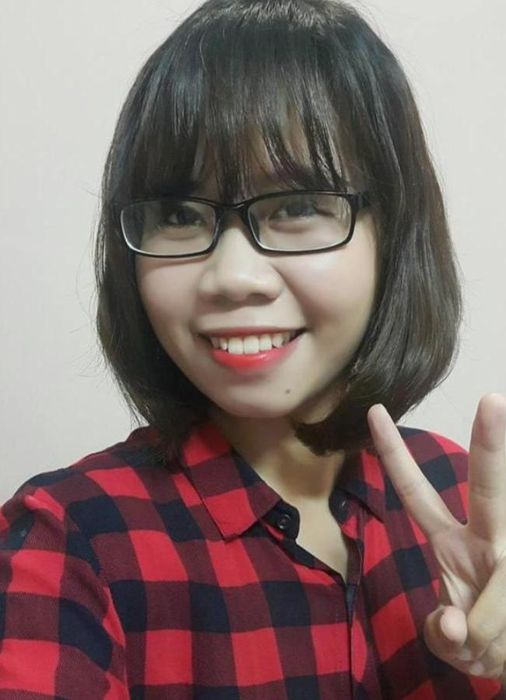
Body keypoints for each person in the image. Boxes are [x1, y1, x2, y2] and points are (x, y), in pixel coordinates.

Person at [1, 0, 505, 697]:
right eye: (179, 214)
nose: (232, 277)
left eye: (297, 205)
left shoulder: (465, 501)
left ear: (393, 231)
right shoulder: (70, 546)